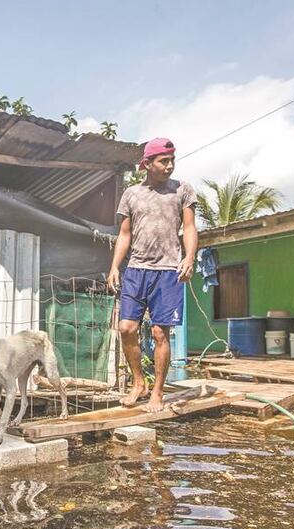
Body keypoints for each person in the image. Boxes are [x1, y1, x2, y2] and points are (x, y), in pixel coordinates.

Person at [107, 137, 198, 412]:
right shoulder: (131, 194)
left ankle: (157, 391)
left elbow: (190, 228)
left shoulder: (183, 190)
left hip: (168, 271)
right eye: (163, 161)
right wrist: (114, 266)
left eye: (172, 160)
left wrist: (190, 257)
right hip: (136, 269)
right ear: (147, 164)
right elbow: (124, 234)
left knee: (160, 332)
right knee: (126, 328)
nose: (169, 166)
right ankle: (139, 383)